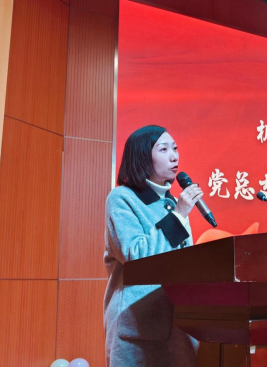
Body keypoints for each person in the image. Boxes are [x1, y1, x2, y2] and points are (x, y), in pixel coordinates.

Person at [104, 125, 203, 367]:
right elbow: (136, 255)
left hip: (179, 326)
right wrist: (178, 215)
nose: (174, 156)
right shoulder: (122, 198)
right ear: (142, 156)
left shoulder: (172, 203)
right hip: (139, 328)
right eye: (164, 149)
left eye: (175, 148)